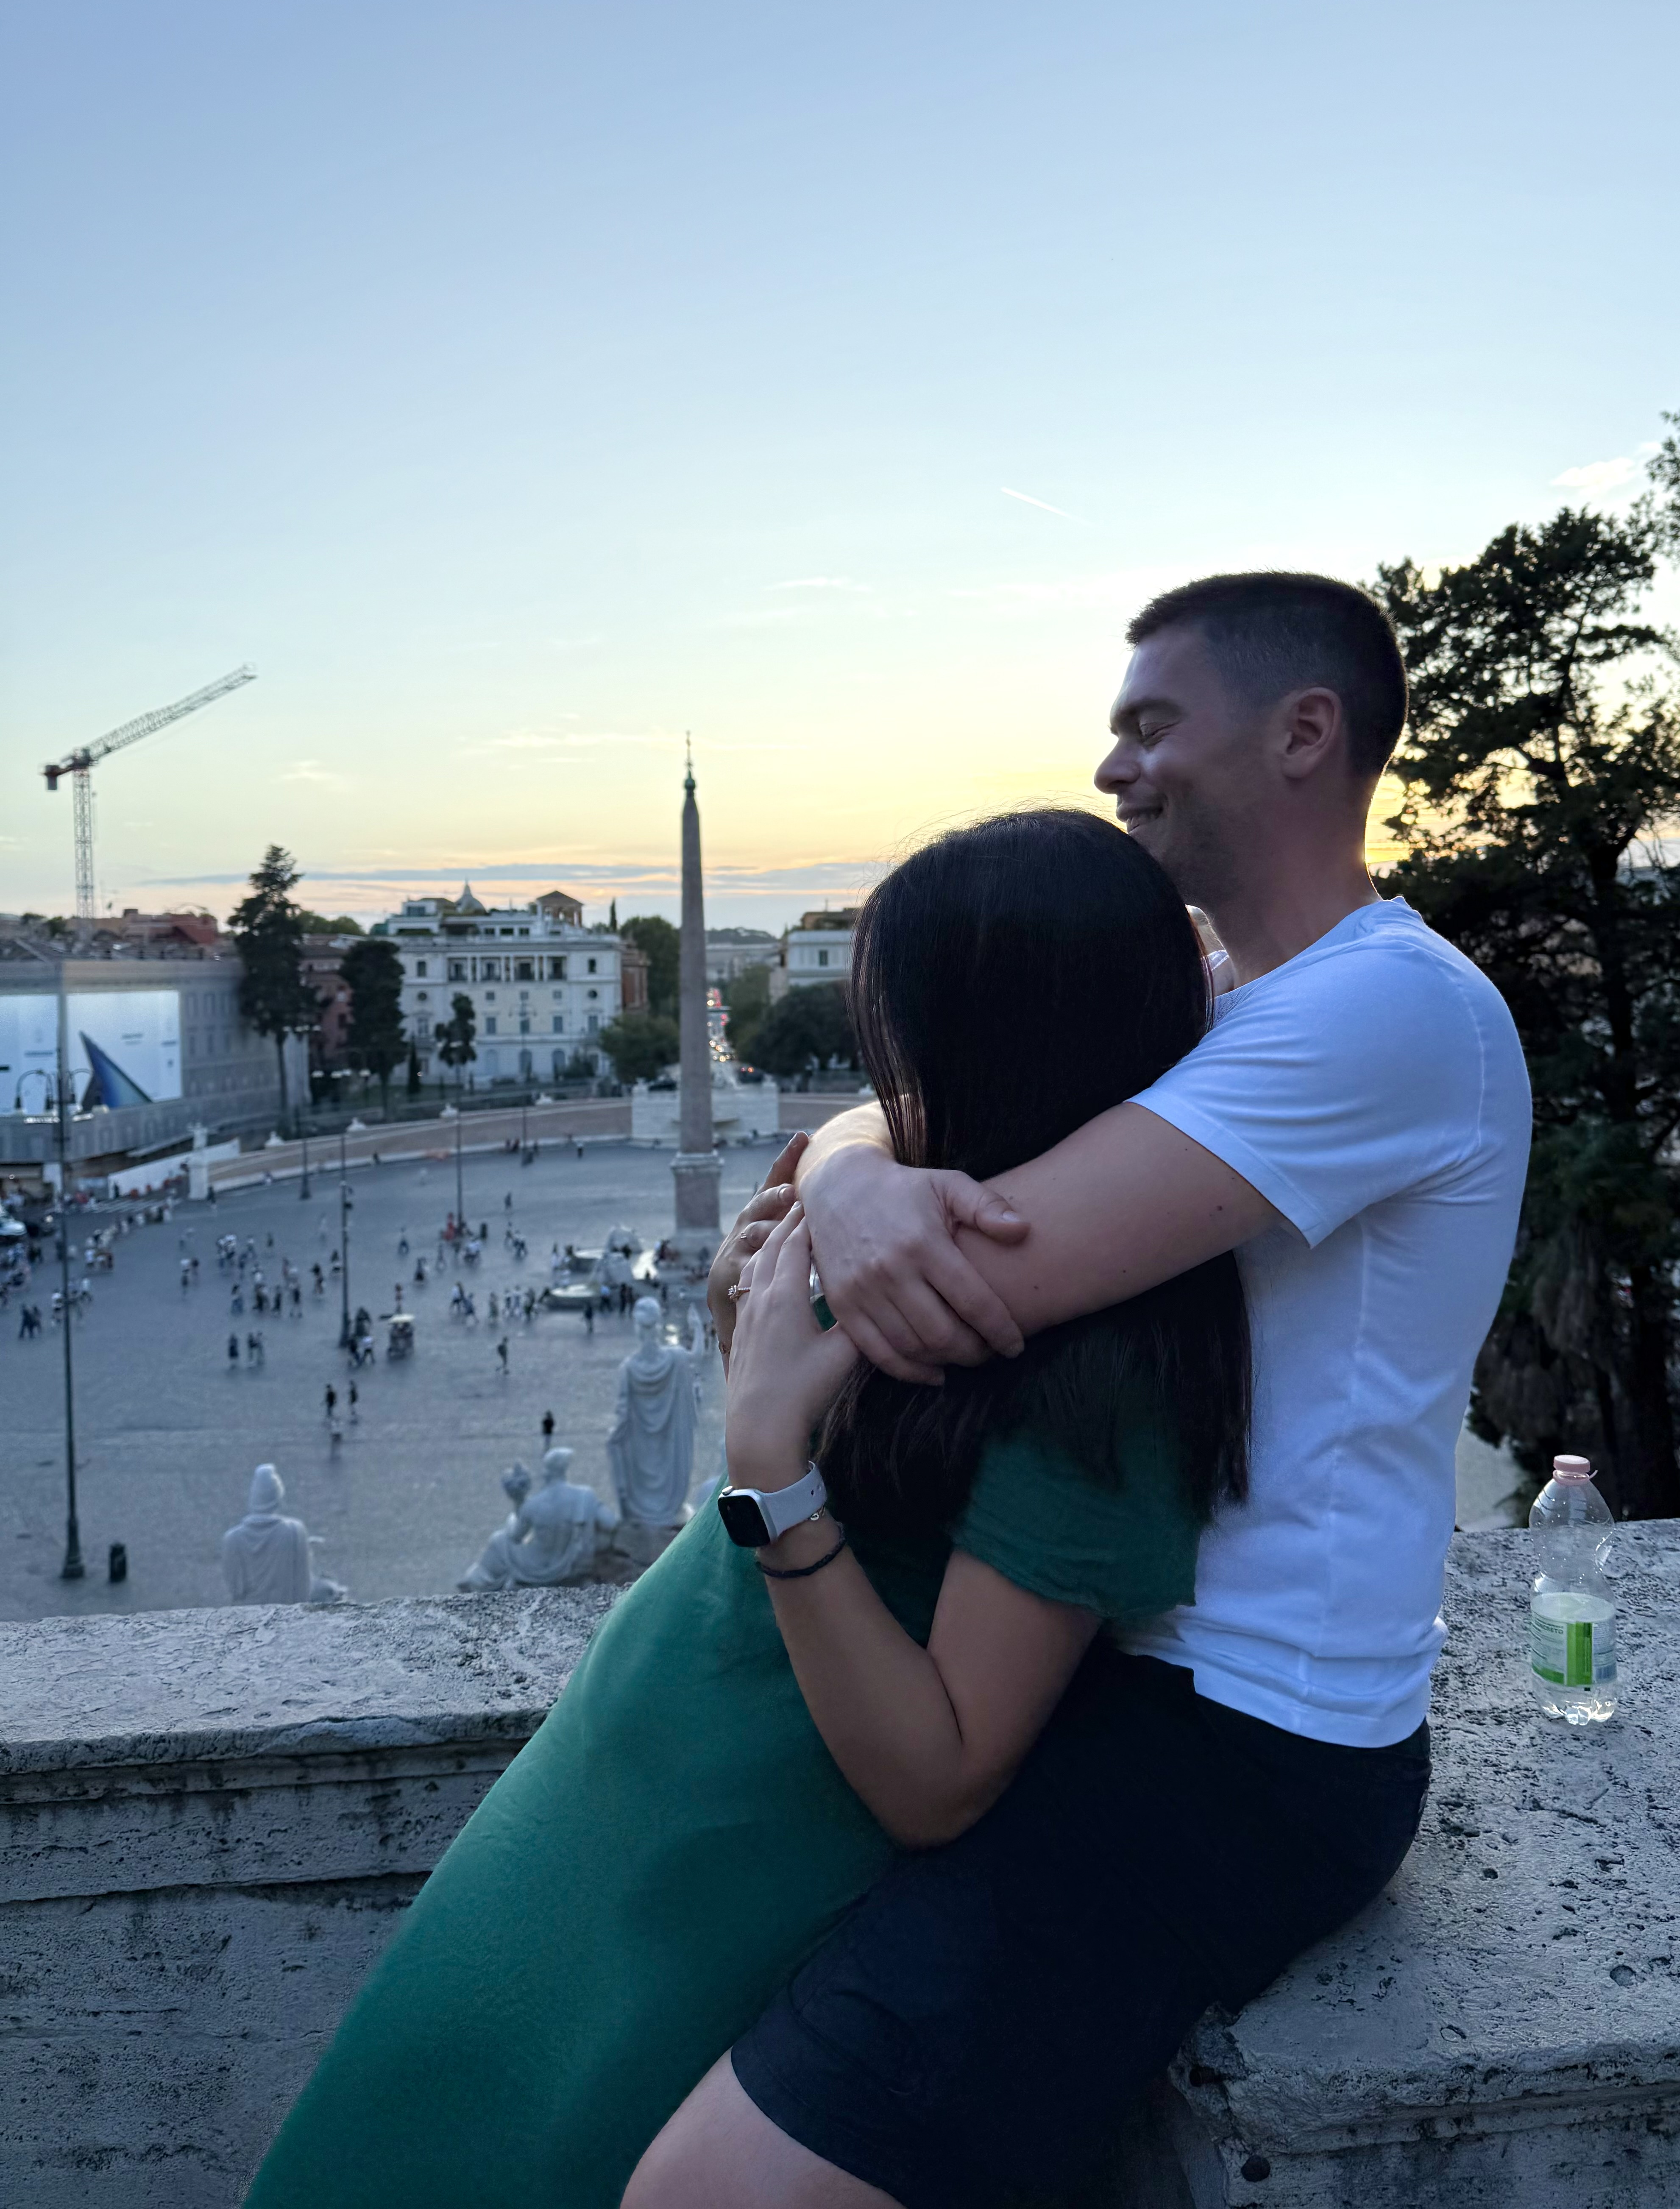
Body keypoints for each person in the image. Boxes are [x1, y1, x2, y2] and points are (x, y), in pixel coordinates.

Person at [636, 570, 1531, 2209]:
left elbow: (962, 1277)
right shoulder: (1230, 997)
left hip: (1244, 1739)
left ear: (1303, 733)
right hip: (1110, 1664)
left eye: (1149, 725)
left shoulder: (1386, 1013)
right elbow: (923, 1110)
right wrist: (851, 1166)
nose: (1113, 768)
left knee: (713, 2191)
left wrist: (849, 1203)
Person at [244, 808, 1248, 2209]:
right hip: (606, 1798)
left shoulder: (1105, 1367)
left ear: (987, 1037)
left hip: (734, 1849)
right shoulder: (927, 1216)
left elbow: (940, 1776)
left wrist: (765, 1452)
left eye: (898, 1024)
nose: (882, 1069)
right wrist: (782, 1273)